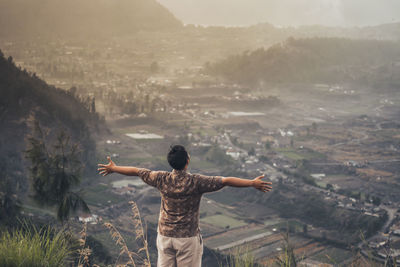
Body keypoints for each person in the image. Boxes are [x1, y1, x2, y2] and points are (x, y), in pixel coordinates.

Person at [98, 145, 272, 267]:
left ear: (170, 162)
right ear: (187, 161)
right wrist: (251, 183)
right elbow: (225, 181)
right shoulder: (196, 182)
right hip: (187, 239)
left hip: (165, 236)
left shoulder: (160, 178)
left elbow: (137, 171)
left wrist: (114, 168)